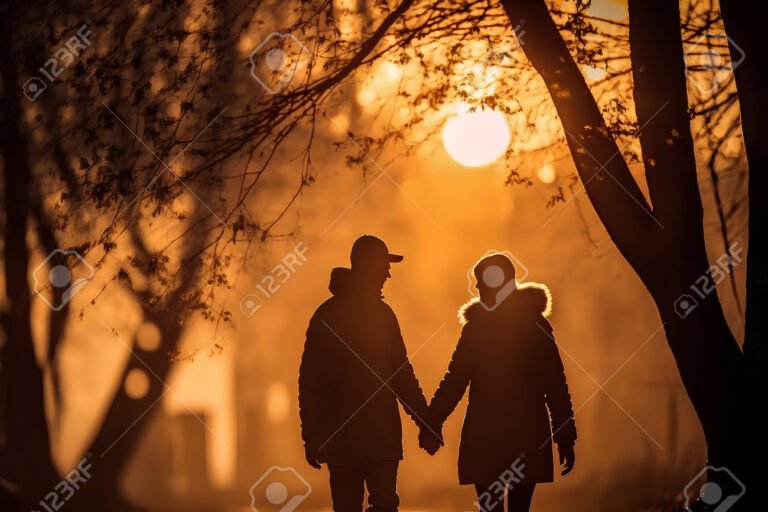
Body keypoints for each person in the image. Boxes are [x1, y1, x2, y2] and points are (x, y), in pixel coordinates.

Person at [419, 253, 576, 512]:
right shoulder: (536, 326)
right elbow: (556, 386)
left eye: (480, 281)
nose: (476, 288)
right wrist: (565, 436)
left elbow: (454, 381)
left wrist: (432, 422)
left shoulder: (477, 330)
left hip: (485, 439)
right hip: (527, 437)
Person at [299, 235, 433, 512]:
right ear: (369, 267)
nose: (388, 273)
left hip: (351, 440)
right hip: (372, 439)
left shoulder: (328, 315)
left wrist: (311, 435)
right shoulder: (378, 316)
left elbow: (310, 384)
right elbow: (401, 375)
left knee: (363, 506)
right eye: (384, 265)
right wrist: (425, 422)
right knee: (382, 505)